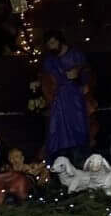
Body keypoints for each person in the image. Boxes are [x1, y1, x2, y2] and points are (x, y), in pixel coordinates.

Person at [40, 33, 96, 164]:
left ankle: (81, 159)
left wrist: (83, 81)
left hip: (75, 96)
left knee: (79, 126)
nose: (51, 47)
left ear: (60, 41)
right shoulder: (50, 60)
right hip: (58, 99)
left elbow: (87, 71)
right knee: (58, 130)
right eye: (49, 45)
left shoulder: (76, 55)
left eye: (53, 43)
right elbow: (46, 78)